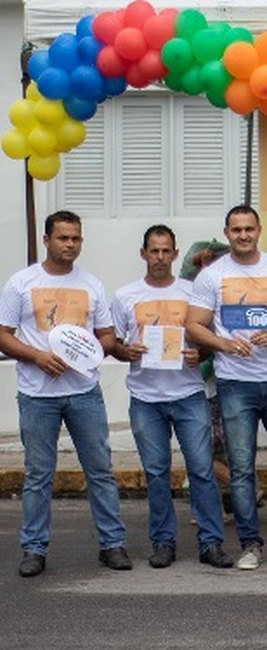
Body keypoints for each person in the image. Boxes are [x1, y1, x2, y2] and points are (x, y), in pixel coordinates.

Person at [0, 210, 132, 577]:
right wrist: (37, 356)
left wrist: (88, 354)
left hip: (84, 392)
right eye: (63, 238)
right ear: (47, 240)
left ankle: (112, 544)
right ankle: (34, 549)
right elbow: (3, 333)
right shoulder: (21, 283)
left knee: (100, 470)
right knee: (39, 475)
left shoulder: (91, 284)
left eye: (76, 238)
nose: (70, 245)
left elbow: (106, 335)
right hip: (37, 393)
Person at [185, 204, 267, 571]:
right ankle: (250, 544)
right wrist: (223, 344)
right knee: (241, 469)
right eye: (236, 230)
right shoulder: (212, 275)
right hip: (234, 384)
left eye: (249, 229)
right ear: (227, 233)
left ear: (259, 230)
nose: (243, 235)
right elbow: (195, 325)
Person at [110, 225, 234, 570]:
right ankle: (163, 543)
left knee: (201, 470)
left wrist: (202, 356)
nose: (160, 258)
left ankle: (211, 543)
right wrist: (126, 351)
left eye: (167, 251)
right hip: (146, 397)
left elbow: (211, 340)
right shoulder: (125, 296)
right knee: (156, 473)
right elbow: (114, 345)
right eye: (154, 251)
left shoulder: (194, 292)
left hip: (188, 393)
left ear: (176, 254)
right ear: (143, 254)